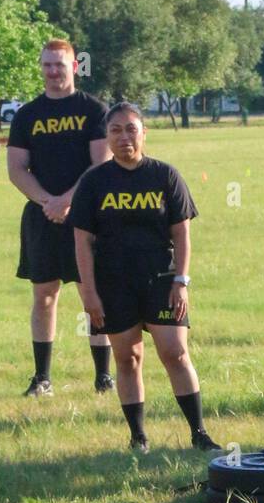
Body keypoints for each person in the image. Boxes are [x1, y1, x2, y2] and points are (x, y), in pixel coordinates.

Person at [70, 103, 221, 454]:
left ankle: (199, 433)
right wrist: (89, 294)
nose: (124, 137)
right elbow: (82, 241)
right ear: (107, 137)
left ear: (143, 132)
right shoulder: (94, 182)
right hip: (114, 283)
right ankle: (138, 437)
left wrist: (181, 281)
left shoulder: (165, 176)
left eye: (130, 129)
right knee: (128, 359)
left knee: (175, 352)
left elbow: (182, 235)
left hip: (162, 279)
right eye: (116, 130)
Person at [7, 38, 114, 398]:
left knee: (91, 294)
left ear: (75, 66)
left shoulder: (93, 110)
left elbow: (101, 164)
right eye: (47, 65)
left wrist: (67, 201)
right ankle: (42, 378)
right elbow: (17, 169)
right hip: (42, 217)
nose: (53, 71)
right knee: (44, 296)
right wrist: (46, 202)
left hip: (85, 216)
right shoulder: (27, 115)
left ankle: (103, 377)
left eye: (60, 64)